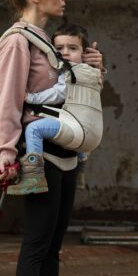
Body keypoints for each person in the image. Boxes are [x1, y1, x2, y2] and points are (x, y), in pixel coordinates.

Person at [0, 0, 104, 276]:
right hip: (36, 151)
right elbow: (7, 99)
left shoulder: (49, 42)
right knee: (38, 239)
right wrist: (6, 150)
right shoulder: (16, 42)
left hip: (66, 150)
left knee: (55, 241)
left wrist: (90, 66)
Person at [23, 23, 102, 186]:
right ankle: (81, 163)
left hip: (77, 128)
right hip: (88, 132)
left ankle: (33, 177)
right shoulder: (89, 71)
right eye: (59, 48)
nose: (65, 53)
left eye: (72, 48)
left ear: (84, 53)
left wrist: (31, 98)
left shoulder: (72, 72)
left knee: (33, 129)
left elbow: (60, 92)